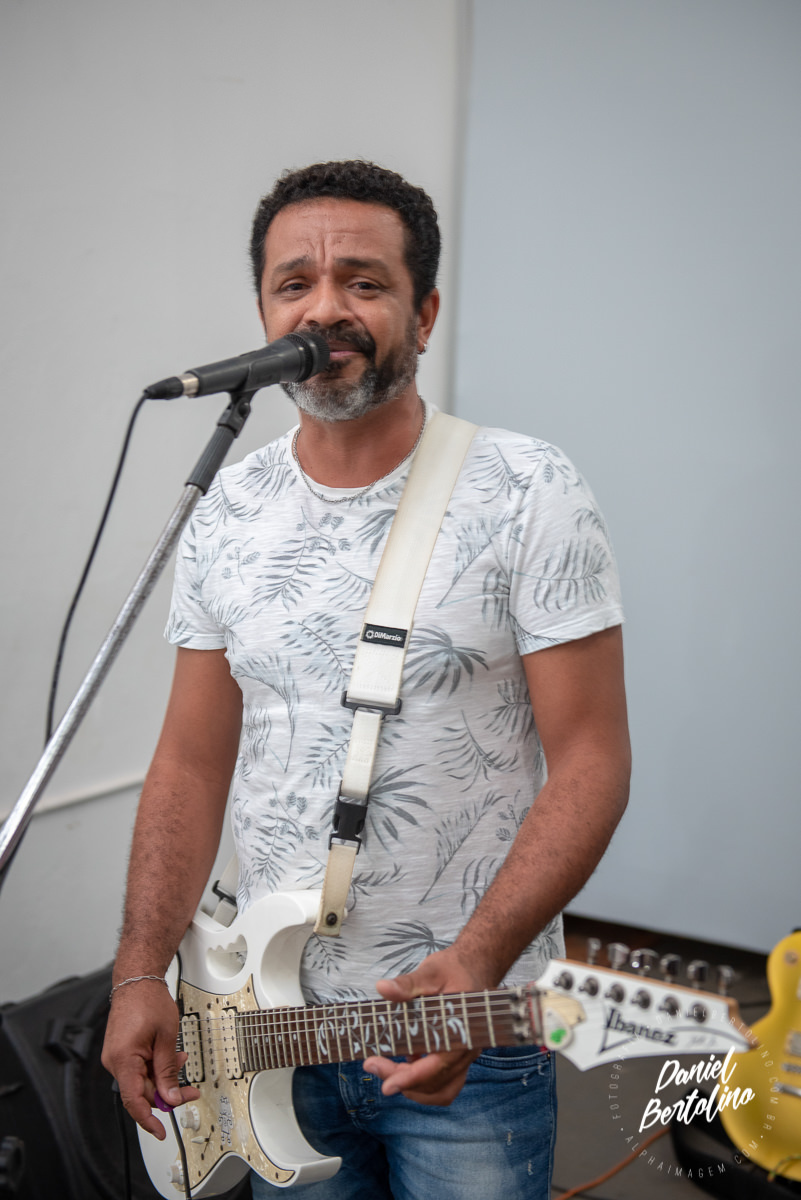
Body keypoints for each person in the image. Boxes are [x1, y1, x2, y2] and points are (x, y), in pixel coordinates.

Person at [102, 160, 631, 1199]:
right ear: (262, 311)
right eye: (293, 283)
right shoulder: (227, 509)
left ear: (423, 312)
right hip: (260, 1018)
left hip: (461, 1025)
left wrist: (478, 958)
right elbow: (189, 762)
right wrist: (137, 969)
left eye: (364, 280)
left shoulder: (529, 488)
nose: (325, 306)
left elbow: (594, 760)